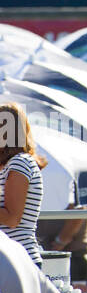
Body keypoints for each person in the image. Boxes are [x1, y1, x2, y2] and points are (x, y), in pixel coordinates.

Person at [0, 102, 47, 268]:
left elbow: (12, 219)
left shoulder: (20, 162)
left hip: (18, 263)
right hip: (10, 261)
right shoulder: (10, 164)